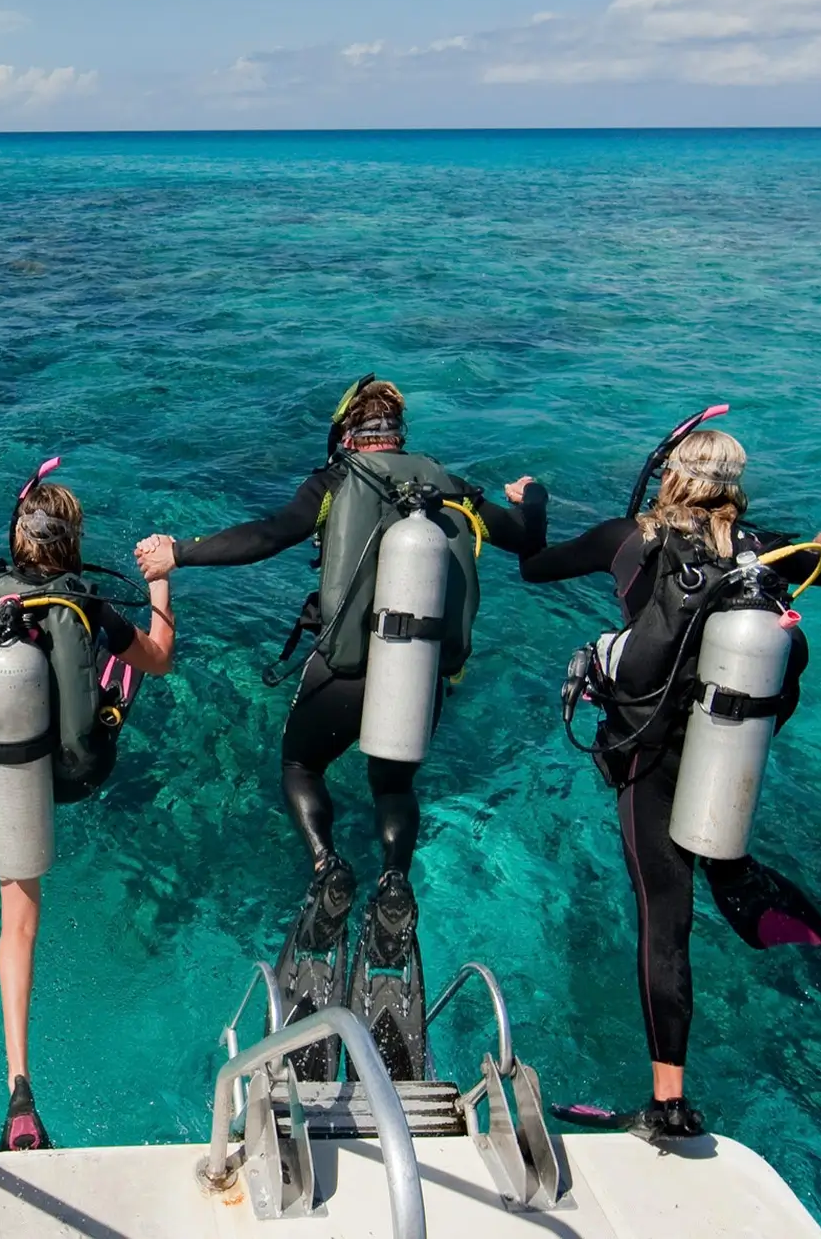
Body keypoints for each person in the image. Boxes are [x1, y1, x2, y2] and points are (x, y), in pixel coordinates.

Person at [135, 376, 544, 1081]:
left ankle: (327, 864)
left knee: (302, 766)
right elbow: (527, 544)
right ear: (400, 433)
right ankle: (393, 882)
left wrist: (182, 554)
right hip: (415, 676)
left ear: (347, 432)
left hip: (343, 675)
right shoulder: (451, 487)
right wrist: (529, 499)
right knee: (393, 782)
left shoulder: (332, 480)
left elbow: (267, 535)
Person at [519, 424, 821, 1142]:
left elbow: (536, 566)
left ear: (672, 474)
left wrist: (533, 501)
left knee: (663, 921)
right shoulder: (765, 549)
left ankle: (668, 1105)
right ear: (735, 484)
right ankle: (734, 869)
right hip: (725, 740)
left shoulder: (628, 537)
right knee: (702, 863)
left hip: (648, 751)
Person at [0, 427, 175, 1151]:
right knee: (126, 680)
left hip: (7, 775)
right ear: (71, 543)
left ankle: (19, 1089)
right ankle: (96, 700)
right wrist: (161, 581)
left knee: (17, 925)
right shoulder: (89, 605)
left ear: (18, 538)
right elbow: (162, 657)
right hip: (77, 772)